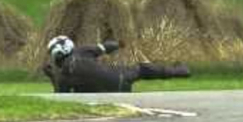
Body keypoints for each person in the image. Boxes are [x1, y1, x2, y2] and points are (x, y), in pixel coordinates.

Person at [42, 35, 191, 93]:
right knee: (142, 69)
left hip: (108, 94)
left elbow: (61, 95)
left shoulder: (62, 77)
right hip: (120, 79)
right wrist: (119, 43)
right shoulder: (82, 50)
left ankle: (179, 71)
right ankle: (180, 71)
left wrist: (52, 77)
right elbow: (106, 47)